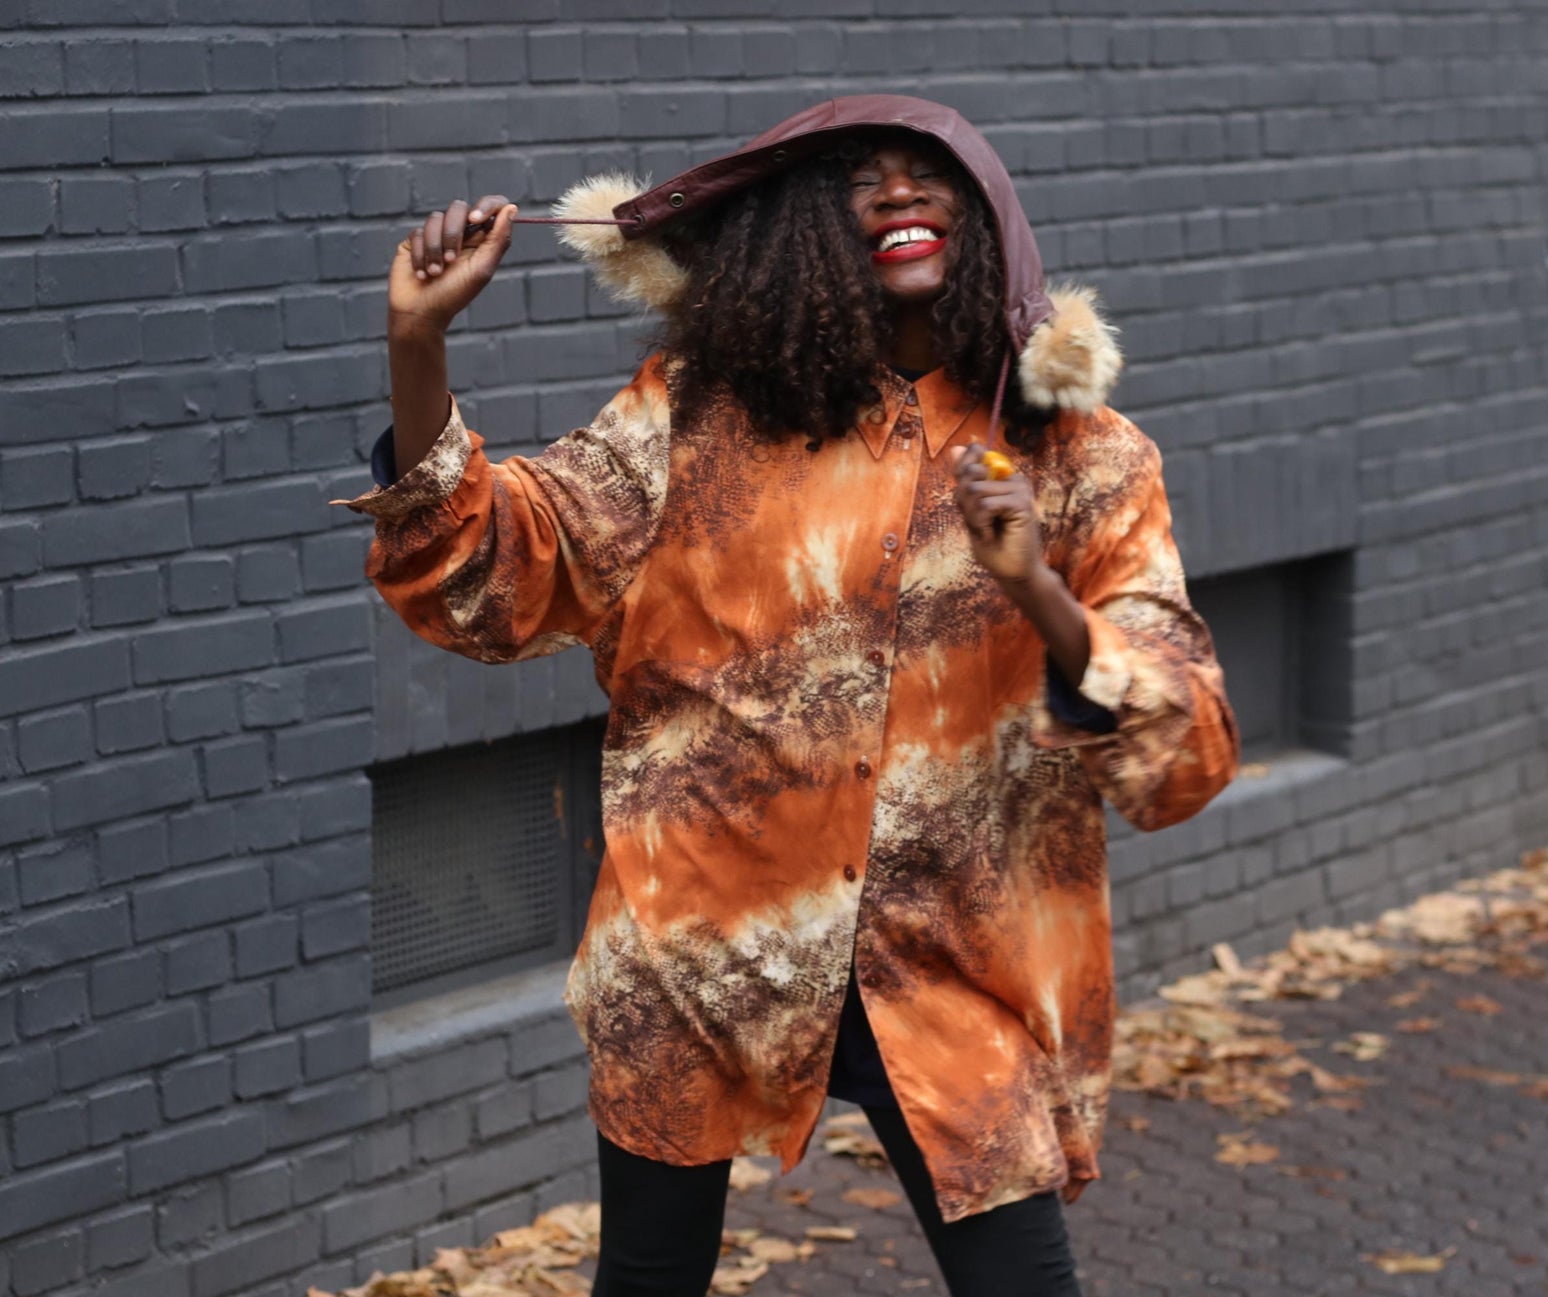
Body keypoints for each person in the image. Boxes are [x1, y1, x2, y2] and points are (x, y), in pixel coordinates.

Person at [337, 95, 1239, 1297]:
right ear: (803, 235)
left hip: (957, 964)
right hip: (700, 945)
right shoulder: (696, 415)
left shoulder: (1083, 458)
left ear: (992, 222)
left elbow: (1185, 746)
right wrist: (418, 350)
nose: (899, 191)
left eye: (932, 174)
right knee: (647, 1278)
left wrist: (1037, 593)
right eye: (860, 178)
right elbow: (495, 572)